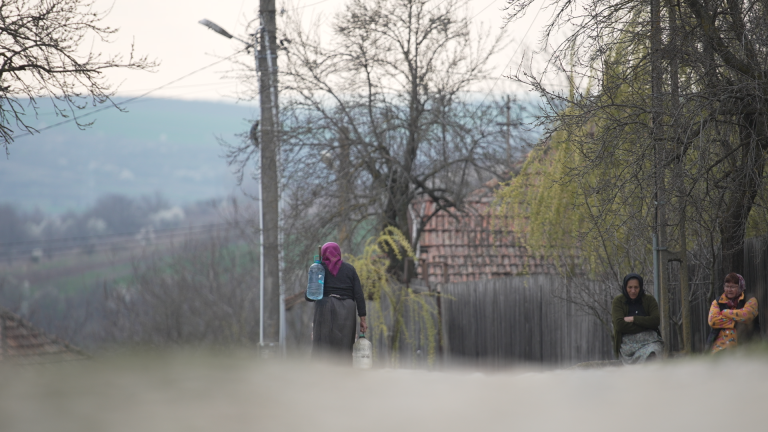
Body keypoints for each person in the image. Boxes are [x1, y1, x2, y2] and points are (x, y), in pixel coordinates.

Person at [306, 242, 367, 359]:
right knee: (344, 345)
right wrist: (363, 319)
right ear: (338, 253)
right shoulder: (350, 269)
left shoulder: (319, 269)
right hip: (347, 310)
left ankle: (323, 372)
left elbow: (309, 297)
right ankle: (342, 372)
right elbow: (359, 295)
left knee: (322, 346)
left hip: (324, 307)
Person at [611, 273, 663, 364]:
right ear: (625, 287)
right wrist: (646, 325)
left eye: (636, 287)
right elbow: (620, 325)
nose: (633, 291)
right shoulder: (618, 301)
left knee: (653, 353)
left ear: (641, 287)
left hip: (650, 341)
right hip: (628, 345)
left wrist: (634, 319)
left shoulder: (649, 300)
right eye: (630, 287)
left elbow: (655, 320)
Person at [707, 273, 760, 353]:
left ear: (740, 287)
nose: (729, 290)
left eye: (733, 287)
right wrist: (736, 322)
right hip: (719, 348)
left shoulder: (750, 300)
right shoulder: (717, 302)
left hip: (746, 345)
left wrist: (725, 312)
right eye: (727, 286)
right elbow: (712, 321)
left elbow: (747, 316)